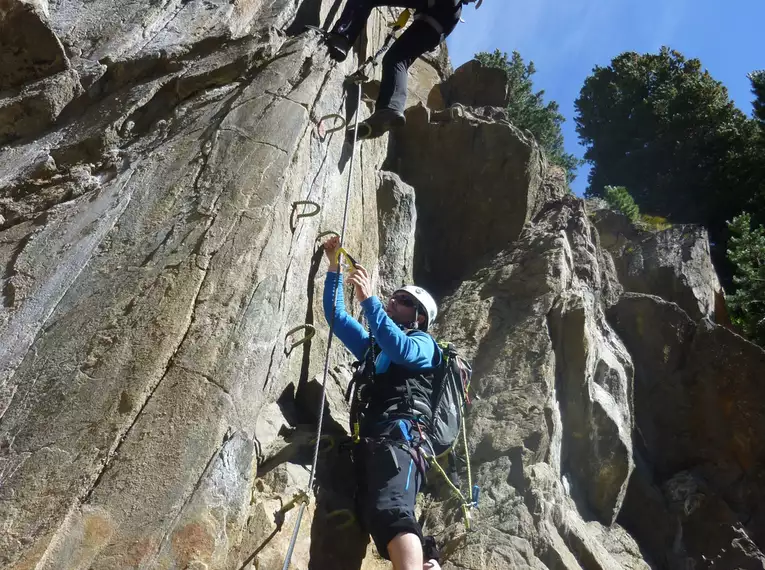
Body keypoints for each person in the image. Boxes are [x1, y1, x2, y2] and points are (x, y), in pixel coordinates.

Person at [322, 235, 442, 570]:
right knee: (378, 513)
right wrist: (334, 267)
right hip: (377, 439)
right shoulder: (375, 351)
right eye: (395, 295)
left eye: (402, 300)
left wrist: (370, 300)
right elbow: (336, 316)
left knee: (391, 509)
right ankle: (427, 563)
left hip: (404, 439)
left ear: (418, 317)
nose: (394, 299)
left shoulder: (424, 344)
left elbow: (400, 348)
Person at [325, 0, 472, 139]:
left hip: (435, 13)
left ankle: (342, 37)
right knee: (396, 60)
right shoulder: (456, 11)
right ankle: (390, 109)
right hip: (437, 25)